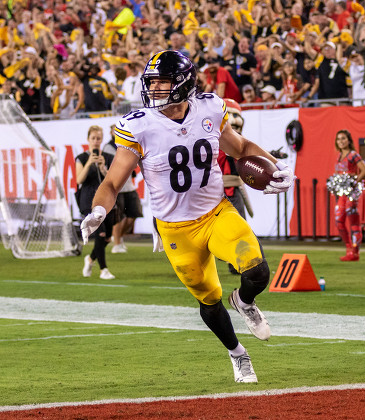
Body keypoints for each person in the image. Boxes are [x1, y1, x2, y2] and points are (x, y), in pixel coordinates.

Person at [80, 51, 295, 383]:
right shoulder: (140, 125)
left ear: (182, 84)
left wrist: (276, 166)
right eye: (152, 84)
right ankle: (238, 354)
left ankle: (245, 300)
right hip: (175, 229)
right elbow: (112, 182)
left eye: (162, 83)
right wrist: (98, 209)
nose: (154, 90)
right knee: (208, 299)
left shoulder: (208, 108)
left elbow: (240, 148)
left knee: (258, 271)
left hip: (216, 213)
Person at [219, 98, 254, 275]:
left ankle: (237, 262)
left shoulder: (237, 142)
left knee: (239, 226)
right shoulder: (215, 142)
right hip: (217, 190)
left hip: (232, 187)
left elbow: (249, 155)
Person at [75, 125, 116, 279]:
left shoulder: (107, 157)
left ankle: (90, 258)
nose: (96, 141)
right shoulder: (82, 157)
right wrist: (88, 164)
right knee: (101, 233)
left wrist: (103, 167)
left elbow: (112, 180)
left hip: (105, 199)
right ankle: (103, 270)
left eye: (98, 138)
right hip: (88, 200)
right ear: (88, 139)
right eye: (93, 138)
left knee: (107, 237)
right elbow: (79, 180)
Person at [103, 124, 143, 254]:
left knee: (134, 214)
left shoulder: (128, 144)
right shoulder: (108, 148)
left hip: (129, 186)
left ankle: (118, 237)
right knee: (118, 217)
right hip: (117, 187)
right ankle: (117, 244)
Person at [333, 129, 365, 261]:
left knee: (353, 222)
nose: (341, 141)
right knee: (339, 220)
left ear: (349, 140)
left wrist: (354, 181)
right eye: (338, 139)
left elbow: (363, 170)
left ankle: (355, 253)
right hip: (342, 193)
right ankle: (348, 248)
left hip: (351, 193)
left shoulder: (353, 155)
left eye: (343, 138)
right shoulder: (339, 156)